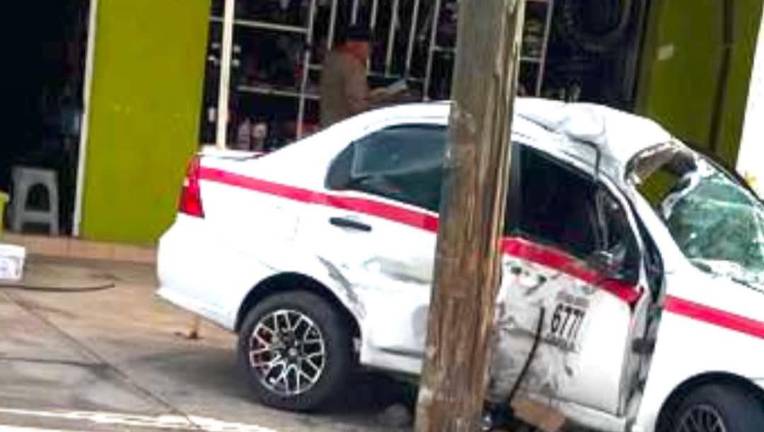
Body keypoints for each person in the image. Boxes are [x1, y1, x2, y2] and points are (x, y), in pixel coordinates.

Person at [320, 25, 390, 127]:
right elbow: (357, 103)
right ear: (353, 44)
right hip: (348, 126)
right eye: (369, 46)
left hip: (329, 122)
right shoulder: (353, 64)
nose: (370, 51)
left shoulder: (331, 58)